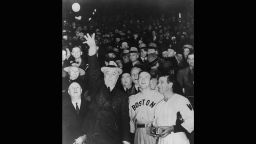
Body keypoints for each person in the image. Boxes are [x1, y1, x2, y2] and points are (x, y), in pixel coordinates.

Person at [75, 33, 130, 144]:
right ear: (104, 75)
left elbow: (124, 120)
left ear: (118, 77)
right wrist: (92, 48)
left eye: (114, 73)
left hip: (112, 138)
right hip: (92, 137)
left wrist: (126, 141)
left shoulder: (122, 96)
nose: (110, 76)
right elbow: (93, 68)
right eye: (108, 73)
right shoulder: (97, 85)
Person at [152, 74, 194, 144]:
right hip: (162, 140)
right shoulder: (159, 105)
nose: (158, 85)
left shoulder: (181, 100)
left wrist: (173, 128)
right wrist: (154, 131)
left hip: (177, 139)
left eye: (162, 82)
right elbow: (155, 124)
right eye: (158, 83)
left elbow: (192, 121)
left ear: (170, 84)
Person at [129, 71, 164, 144]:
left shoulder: (159, 96)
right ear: (138, 81)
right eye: (141, 77)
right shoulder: (132, 98)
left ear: (150, 80)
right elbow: (131, 120)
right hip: (138, 131)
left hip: (153, 129)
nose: (143, 80)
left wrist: (158, 135)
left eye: (146, 77)